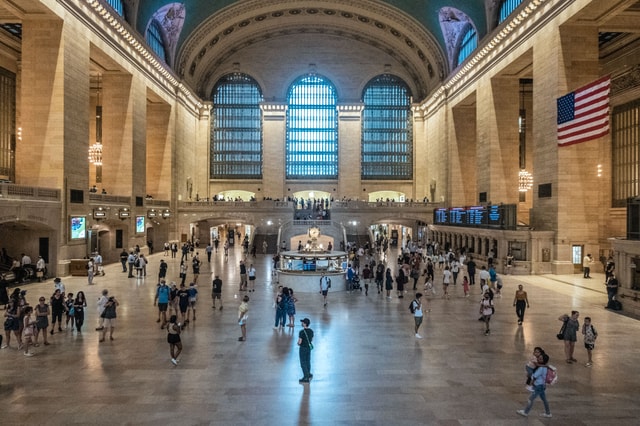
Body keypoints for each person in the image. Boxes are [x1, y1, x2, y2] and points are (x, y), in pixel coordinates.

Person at [517, 353, 552, 418]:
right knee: (544, 399)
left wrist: (531, 382)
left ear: (543, 361)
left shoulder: (541, 368)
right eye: (539, 358)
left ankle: (525, 412)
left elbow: (535, 376)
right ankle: (548, 413)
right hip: (542, 385)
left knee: (530, 399)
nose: (538, 359)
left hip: (538, 386)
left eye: (541, 359)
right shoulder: (545, 367)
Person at [298, 318, 314, 383]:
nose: (302, 323)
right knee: (308, 361)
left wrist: (298, 343)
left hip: (303, 348)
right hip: (308, 348)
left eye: (302, 322)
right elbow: (312, 339)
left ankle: (306, 377)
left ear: (305, 324)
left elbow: (299, 342)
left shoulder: (301, 332)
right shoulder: (311, 331)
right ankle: (309, 374)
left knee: (303, 362)